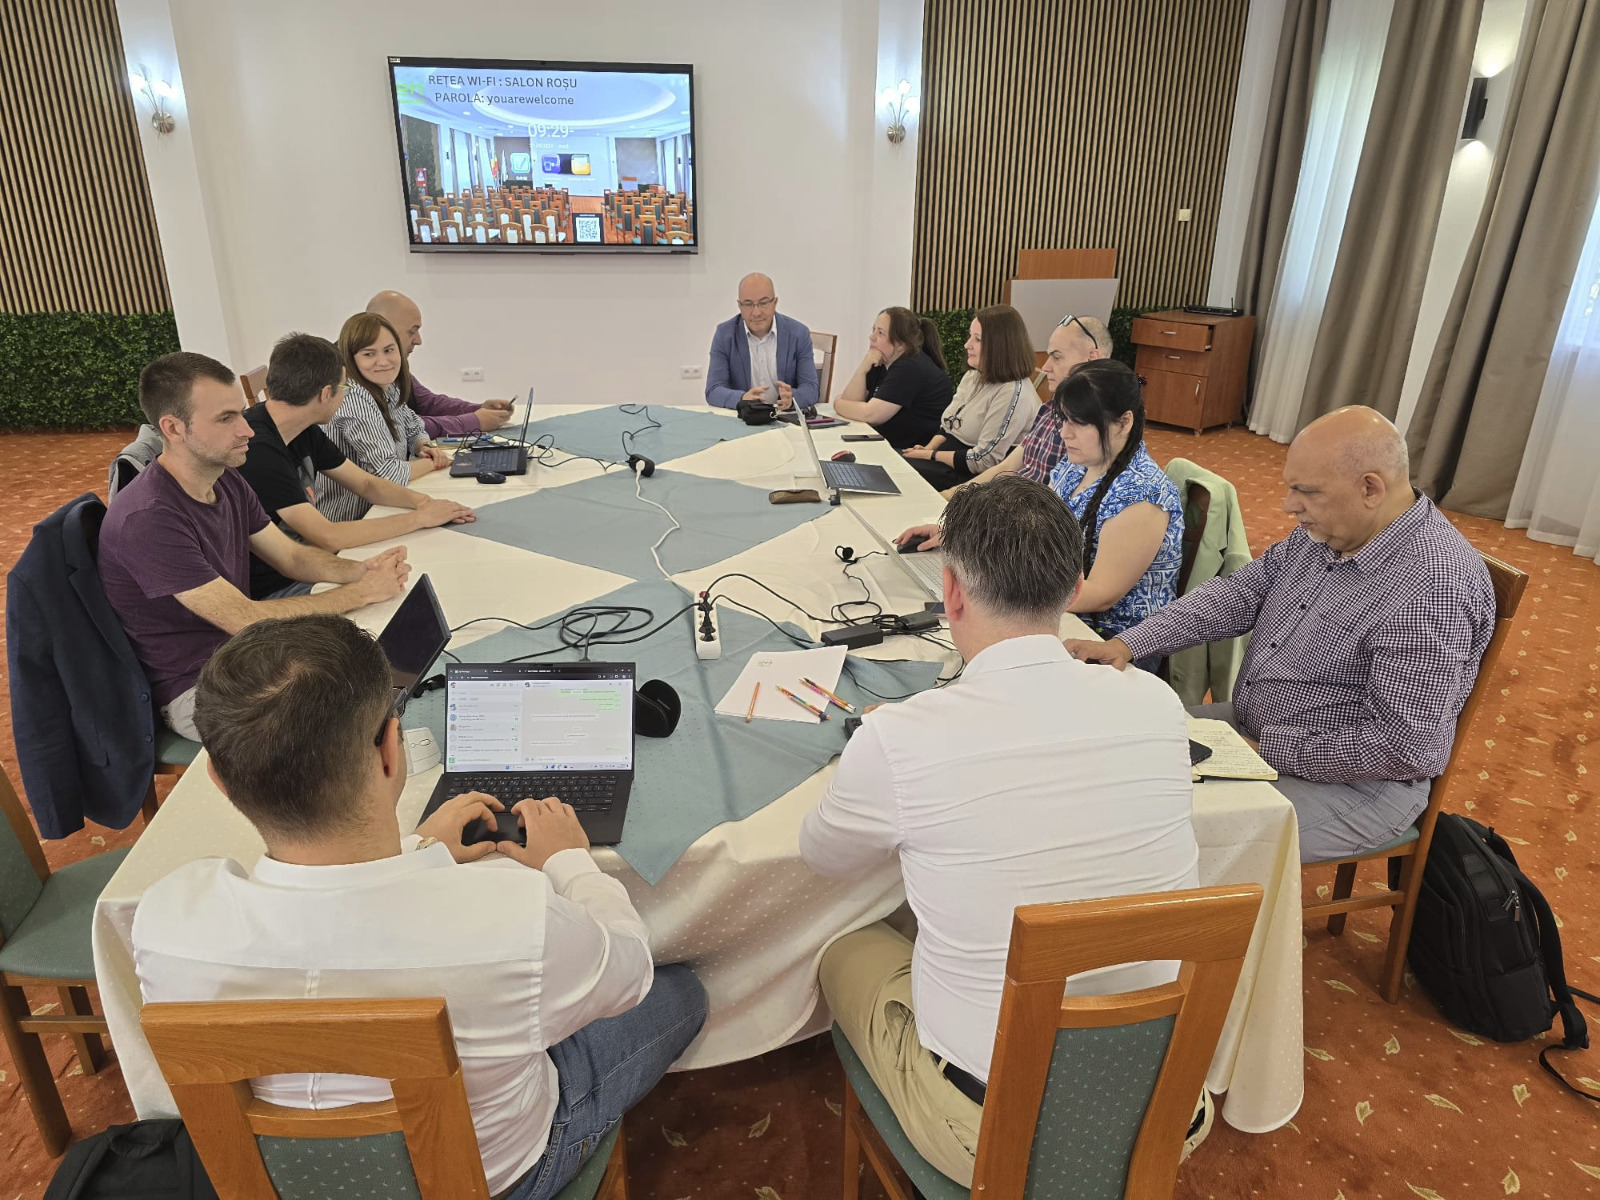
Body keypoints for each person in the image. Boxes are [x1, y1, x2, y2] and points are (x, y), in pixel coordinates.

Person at [130, 615, 707, 1199]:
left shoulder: (164, 921)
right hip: (498, 1179)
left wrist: (421, 850)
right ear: (390, 749)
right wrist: (570, 862)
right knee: (680, 992)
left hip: (287, 1186)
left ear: (219, 780)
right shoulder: (516, 918)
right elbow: (628, 970)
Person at [801, 475, 1199, 1188]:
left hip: (993, 1127)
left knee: (843, 947)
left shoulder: (902, 737)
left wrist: (880, 759)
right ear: (1074, 586)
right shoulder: (1158, 701)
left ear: (951, 592)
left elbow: (821, 856)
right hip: (1163, 1101)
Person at [1066, 406, 1496, 862]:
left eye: (1306, 492)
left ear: (1370, 488)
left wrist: (1268, 749)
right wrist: (1129, 644)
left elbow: (1404, 748)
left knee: (1150, 834)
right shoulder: (1332, 531)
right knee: (1113, 753)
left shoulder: (1432, 590)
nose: (1289, 505)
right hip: (1254, 729)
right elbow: (1237, 594)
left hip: (1356, 784)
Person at [99, 353, 412, 740]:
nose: (247, 429)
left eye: (242, 414)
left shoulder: (225, 478)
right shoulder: (148, 517)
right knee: (354, 723)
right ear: (173, 428)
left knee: (377, 674)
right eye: (226, 419)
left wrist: (362, 571)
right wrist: (360, 592)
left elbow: (291, 556)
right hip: (198, 688)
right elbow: (244, 618)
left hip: (246, 655)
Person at [240, 332, 476, 599]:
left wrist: (425, 503)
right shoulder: (258, 451)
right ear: (326, 393)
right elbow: (328, 536)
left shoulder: (301, 427)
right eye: (344, 389)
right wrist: (420, 518)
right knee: (411, 589)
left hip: (309, 563)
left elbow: (366, 484)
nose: (344, 397)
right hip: (278, 588)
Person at [1046, 359, 1183, 652]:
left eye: (1079, 422)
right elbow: (1039, 522)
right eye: (1064, 420)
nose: (1064, 433)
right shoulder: (1079, 463)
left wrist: (1012, 590)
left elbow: (1100, 595)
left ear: (1124, 422)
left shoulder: (1142, 495)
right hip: (1065, 611)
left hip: (1115, 641)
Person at [317, 312, 452, 523]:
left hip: (383, 507)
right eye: (369, 354)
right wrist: (436, 462)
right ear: (351, 358)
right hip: (352, 520)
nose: (383, 361)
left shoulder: (386, 385)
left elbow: (413, 426)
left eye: (389, 350)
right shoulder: (355, 399)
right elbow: (389, 474)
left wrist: (422, 446)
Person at [900, 304, 1039, 492]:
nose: (967, 345)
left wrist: (931, 455)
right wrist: (927, 449)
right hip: (946, 462)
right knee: (891, 462)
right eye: (970, 336)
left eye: (978, 339)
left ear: (1000, 346)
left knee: (896, 471)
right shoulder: (974, 375)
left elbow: (984, 460)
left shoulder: (1013, 392)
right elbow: (948, 426)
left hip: (971, 479)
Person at [365, 290, 515, 437]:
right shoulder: (356, 376)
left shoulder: (394, 367)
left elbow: (428, 403)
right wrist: (473, 421)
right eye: (412, 331)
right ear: (384, 329)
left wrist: (478, 410)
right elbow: (399, 426)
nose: (418, 340)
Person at [832, 307, 954, 449]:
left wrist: (837, 403)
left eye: (880, 333)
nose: (872, 337)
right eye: (873, 330)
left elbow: (871, 415)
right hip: (888, 445)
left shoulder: (910, 367)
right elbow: (852, 402)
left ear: (900, 344)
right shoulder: (881, 360)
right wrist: (862, 369)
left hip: (912, 453)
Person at [703, 272, 820, 411]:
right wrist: (742, 399)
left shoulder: (799, 333)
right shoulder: (724, 334)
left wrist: (792, 399)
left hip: (784, 416)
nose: (756, 312)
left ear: (775, 303)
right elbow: (713, 390)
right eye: (748, 304)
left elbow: (811, 388)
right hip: (744, 418)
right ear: (739, 306)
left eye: (763, 303)